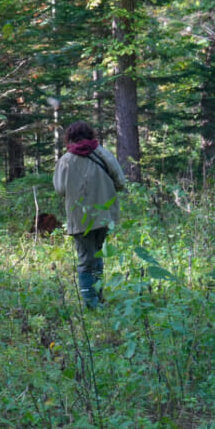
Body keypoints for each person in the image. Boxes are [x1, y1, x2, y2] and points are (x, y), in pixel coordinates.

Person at [53, 121, 127, 309]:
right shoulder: (102, 153)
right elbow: (120, 181)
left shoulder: (66, 160)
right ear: (91, 135)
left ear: (69, 137)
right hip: (104, 213)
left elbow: (60, 189)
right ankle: (98, 296)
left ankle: (91, 302)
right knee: (97, 254)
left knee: (86, 258)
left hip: (79, 216)